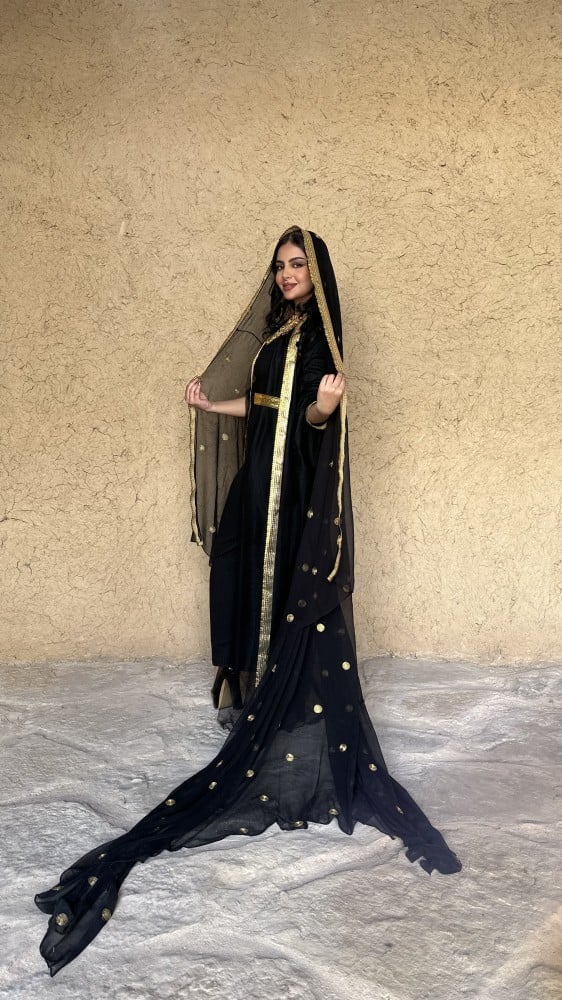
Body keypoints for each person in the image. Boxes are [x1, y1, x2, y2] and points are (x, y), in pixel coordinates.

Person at [35, 227, 461, 977]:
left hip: (290, 495)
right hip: (254, 487)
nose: (287, 274)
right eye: (281, 265)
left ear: (317, 275)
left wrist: (325, 409)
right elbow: (265, 409)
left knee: (285, 591)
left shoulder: (322, 343)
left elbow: (312, 423)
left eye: (298, 265)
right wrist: (211, 403)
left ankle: (282, 704)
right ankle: (257, 688)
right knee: (235, 576)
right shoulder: (274, 336)